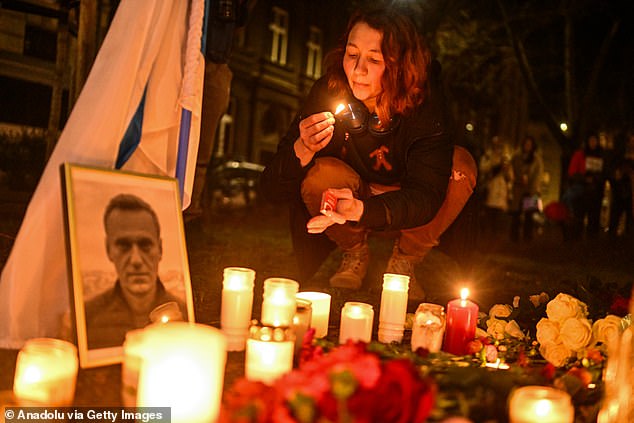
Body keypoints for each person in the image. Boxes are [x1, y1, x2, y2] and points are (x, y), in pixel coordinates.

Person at [260, 6, 477, 300]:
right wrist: (302, 148)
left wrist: (361, 210)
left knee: (460, 165)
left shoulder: (425, 104)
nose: (358, 70)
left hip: (405, 203)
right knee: (316, 172)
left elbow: (427, 194)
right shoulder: (329, 92)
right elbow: (270, 189)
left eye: (374, 59)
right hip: (352, 193)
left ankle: (405, 262)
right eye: (352, 55)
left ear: (400, 65)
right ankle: (354, 253)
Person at [85, 193, 187, 349]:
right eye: (123, 246)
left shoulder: (184, 315)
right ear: (109, 250)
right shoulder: (87, 317)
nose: (136, 260)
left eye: (145, 245)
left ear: (160, 249)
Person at [185, 0, 255, 220]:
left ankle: (189, 216)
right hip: (182, 53)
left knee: (200, 151)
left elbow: (240, 17)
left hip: (214, 61)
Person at [563, 133, 606, 239]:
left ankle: (589, 242)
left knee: (593, 218)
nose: (593, 143)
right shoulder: (580, 154)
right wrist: (584, 178)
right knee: (579, 216)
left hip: (595, 192)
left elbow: (604, 173)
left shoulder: (601, 156)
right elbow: (572, 172)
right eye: (591, 140)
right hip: (582, 190)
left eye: (595, 140)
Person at [508, 135, 543, 242]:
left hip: (531, 189)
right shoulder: (517, 156)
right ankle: (514, 237)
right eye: (526, 144)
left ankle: (527, 237)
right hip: (518, 188)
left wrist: (534, 186)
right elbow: (511, 169)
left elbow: (538, 174)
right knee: (516, 213)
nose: (528, 146)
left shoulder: (536, 159)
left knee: (529, 214)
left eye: (530, 144)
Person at [478, 135, 513, 241]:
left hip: (501, 194)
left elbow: (510, 177)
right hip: (490, 191)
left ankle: (494, 239)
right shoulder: (488, 156)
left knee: (498, 220)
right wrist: (495, 165)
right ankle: (485, 238)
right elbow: (483, 169)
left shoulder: (505, 160)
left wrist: (506, 170)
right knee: (488, 217)